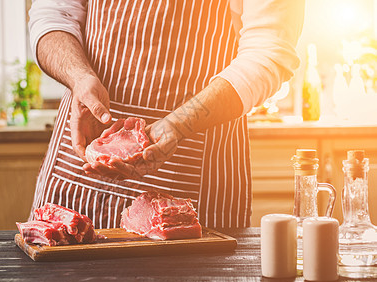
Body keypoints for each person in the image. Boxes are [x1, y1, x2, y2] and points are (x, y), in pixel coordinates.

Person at [28, 0, 305, 230]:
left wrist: (179, 124)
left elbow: (269, 50)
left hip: (192, 173)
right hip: (79, 165)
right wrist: (79, 77)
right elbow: (53, 15)